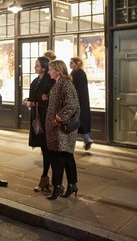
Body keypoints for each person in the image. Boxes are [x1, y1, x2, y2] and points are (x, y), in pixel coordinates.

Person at [45, 60, 80, 200]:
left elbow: (71, 105)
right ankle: (72, 185)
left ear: (58, 71)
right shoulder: (60, 83)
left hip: (61, 129)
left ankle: (58, 187)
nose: (48, 72)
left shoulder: (65, 84)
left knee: (57, 158)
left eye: (50, 69)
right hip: (58, 129)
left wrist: (58, 118)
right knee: (66, 157)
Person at [23, 57, 54, 192]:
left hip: (46, 119)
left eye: (37, 66)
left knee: (48, 150)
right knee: (44, 148)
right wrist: (28, 101)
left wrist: (34, 103)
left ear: (44, 68)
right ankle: (47, 179)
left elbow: (52, 102)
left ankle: (46, 178)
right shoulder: (35, 81)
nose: (35, 68)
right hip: (36, 119)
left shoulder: (50, 81)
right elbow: (34, 98)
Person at [70, 57, 93, 150]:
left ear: (76, 64)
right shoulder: (82, 73)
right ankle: (87, 140)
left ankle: (72, 143)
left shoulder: (75, 74)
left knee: (74, 122)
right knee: (81, 121)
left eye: (71, 62)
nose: (70, 64)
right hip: (83, 101)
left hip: (77, 101)